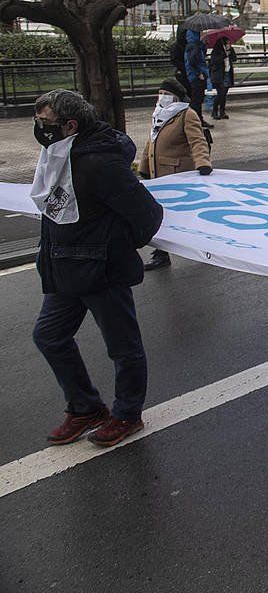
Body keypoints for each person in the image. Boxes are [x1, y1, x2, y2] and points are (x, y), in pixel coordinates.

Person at [30, 90, 164, 448]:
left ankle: (126, 414)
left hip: (101, 271)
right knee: (49, 336)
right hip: (63, 268)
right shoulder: (56, 155)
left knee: (123, 347)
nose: (39, 129)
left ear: (70, 125)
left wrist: (112, 245)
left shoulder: (99, 163)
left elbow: (147, 215)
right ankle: (85, 407)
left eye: (45, 123)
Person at [138, 79, 212, 271]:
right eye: (159, 92)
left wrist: (203, 163)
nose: (161, 97)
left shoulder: (187, 114)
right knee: (160, 217)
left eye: (165, 93)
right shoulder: (158, 115)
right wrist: (144, 165)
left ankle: (207, 244)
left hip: (178, 175)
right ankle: (161, 253)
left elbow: (198, 141)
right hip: (158, 175)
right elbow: (151, 141)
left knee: (188, 215)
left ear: (175, 96)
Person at [183, 29, 212, 127]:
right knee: (196, 100)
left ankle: (198, 119)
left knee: (198, 99)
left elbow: (200, 55)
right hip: (197, 77)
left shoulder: (195, 45)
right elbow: (193, 60)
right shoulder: (193, 45)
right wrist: (199, 73)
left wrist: (203, 43)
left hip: (197, 75)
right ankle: (195, 121)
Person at [209, 36, 236, 120]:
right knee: (220, 93)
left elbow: (235, 59)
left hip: (227, 74)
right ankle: (214, 111)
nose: (229, 44)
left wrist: (230, 51)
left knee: (224, 94)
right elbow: (214, 62)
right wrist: (224, 55)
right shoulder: (217, 51)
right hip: (219, 75)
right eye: (227, 43)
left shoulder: (229, 50)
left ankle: (222, 111)